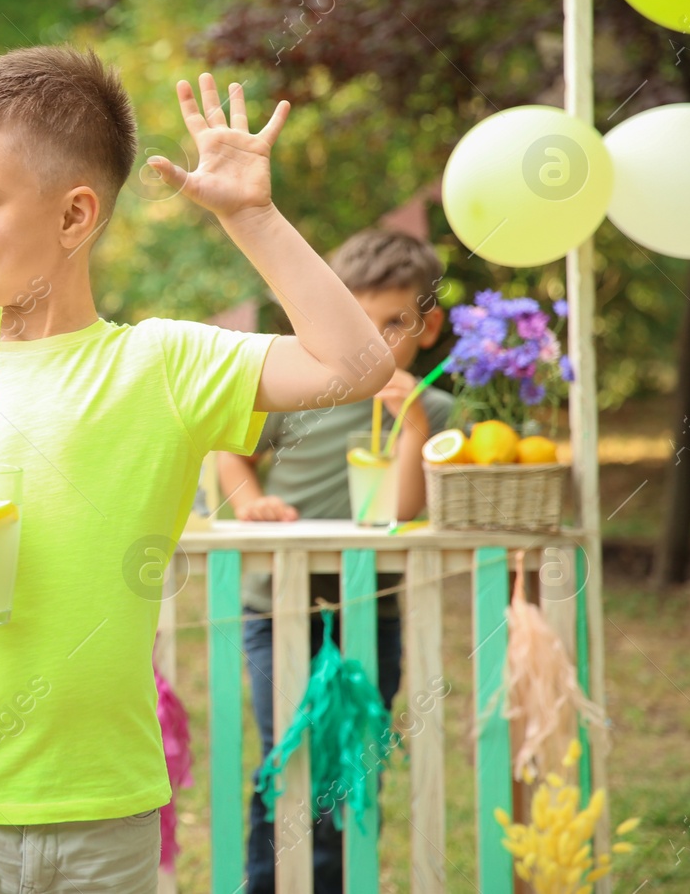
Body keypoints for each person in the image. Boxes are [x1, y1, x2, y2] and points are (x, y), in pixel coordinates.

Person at [0, 46, 395, 893]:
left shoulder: (163, 365)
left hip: (106, 810)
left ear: (73, 217)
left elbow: (356, 365)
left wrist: (253, 218)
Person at [215, 227, 451, 894]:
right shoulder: (304, 387)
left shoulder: (429, 410)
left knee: (350, 764)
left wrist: (412, 429)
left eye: (395, 322)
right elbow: (230, 448)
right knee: (287, 759)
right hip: (280, 604)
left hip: (370, 610)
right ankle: (270, 884)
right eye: (359, 319)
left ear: (427, 328)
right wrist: (252, 500)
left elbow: (401, 511)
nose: (376, 340)